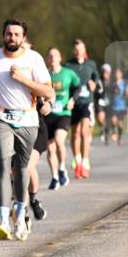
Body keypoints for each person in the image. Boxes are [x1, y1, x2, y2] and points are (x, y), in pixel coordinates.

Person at [0, 19, 53, 241]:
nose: (12, 38)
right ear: (3, 35)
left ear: (23, 38)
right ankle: (3, 220)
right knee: (2, 165)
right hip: (1, 117)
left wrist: (22, 79)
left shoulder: (34, 59)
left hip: (28, 119)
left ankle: (20, 214)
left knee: (21, 170)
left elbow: (48, 92)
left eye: (17, 34)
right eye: (9, 34)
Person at [44, 47, 81, 190]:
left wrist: (72, 99)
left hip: (64, 113)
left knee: (59, 141)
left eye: (55, 56)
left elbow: (78, 87)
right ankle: (54, 177)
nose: (53, 59)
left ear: (60, 58)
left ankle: (61, 168)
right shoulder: (44, 74)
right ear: (47, 59)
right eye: (50, 56)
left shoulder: (68, 73)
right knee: (50, 149)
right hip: (48, 115)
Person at [64, 39, 100, 179]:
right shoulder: (68, 65)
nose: (79, 51)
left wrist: (94, 83)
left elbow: (96, 77)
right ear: (74, 51)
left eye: (81, 49)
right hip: (74, 103)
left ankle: (85, 162)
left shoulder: (91, 64)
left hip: (87, 102)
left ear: (85, 50)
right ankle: (77, 159)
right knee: (75, 133)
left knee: (85, 132)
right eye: (76, 49)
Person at [110, 67, 128, 145]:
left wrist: (125, 93)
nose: (117, 75)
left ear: (121, 75)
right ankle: (114, 132)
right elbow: (110, 94)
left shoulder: (124, 83)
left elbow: (127, 94)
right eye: (116, 74)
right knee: (113, 121)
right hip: (114, 106)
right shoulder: (113, 84)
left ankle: (120, 137)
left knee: (120, 124)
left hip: (122, 106)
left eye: (118, 73)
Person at [95, 63, 113, 144]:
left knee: (109, 120)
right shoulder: (99, 81)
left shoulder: (112, 82)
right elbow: (95, 92)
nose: (106, 73)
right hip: (101, 102)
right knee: (100, 118)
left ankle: (107, 133)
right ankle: (101, 128)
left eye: (107, 72)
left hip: (109, 103)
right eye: (104, 72)